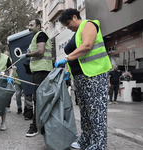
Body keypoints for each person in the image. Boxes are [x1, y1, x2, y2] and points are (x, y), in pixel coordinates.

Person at [55, 8, 112, 150]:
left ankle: (99, 145)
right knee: (85, 113)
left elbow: (87, 46)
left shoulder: (89, 25)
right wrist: (68, 69)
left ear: (75, 16)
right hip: (82, 78)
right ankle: (86, 140)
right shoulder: (77, 33)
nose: (68, 27)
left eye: (68, 23)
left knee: (96, 111)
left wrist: (66, 58)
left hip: (95, 75)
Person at [19, 19, 53, 137]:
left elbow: (41, 51)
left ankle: (35, 127)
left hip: (42, 71)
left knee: (37, 99)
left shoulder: (41, 35)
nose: (29, 27)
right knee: (39, 98)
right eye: (28, 25)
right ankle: (42, 126)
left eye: (31, 25)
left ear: (38, 26)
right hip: (40, 71)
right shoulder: (37, 36)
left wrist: (27, 54)